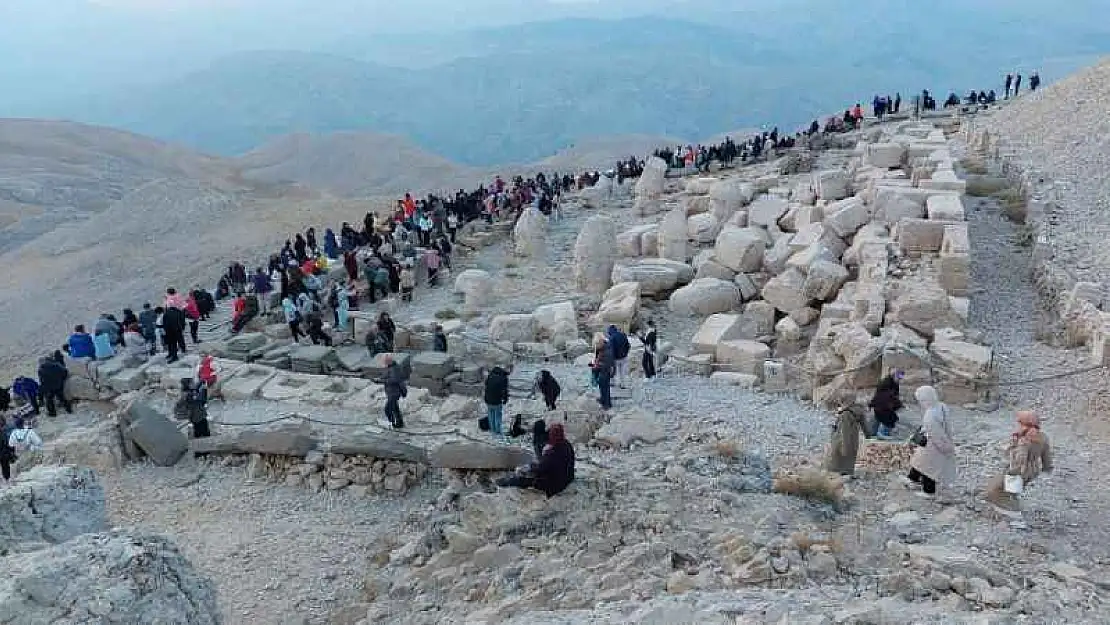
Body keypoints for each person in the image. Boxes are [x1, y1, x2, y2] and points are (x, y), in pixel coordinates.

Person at [984, 411, 1052, 515]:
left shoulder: (1024, 439)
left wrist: (1012, 472)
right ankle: (1011, 505)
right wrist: (1047, 468)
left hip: (1020, 470)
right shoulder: (1043, 437)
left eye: (1020, 422)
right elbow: (1046, 456)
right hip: (1033, 470)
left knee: (996, 490)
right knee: (1012, 491)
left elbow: (1020, 458)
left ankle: (1009, 511)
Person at [496, 422, 575, 497]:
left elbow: (541, 468)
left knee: (523, 479)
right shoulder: (567, 444)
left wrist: (529, 467)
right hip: (568, 478)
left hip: (555, 484)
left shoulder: (553, 453)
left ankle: (506, 482)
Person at [904, 386, 956, 499]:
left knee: (929, 468)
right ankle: (913, 479)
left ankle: (929, 491)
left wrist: (946, 448)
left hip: (934, 445)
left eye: (921, 400)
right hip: (934, 442)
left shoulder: (930, 416)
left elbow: (937, 435)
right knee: (919, 461)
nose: (920, 403)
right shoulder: (941, 406)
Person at [825, 402, 864, 476]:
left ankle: (838, 475)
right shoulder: (859, 411)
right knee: (850, 458)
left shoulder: (845, 414)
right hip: (854, 438)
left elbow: (844, 432)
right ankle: (848, 473)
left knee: (837, 459)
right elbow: (866, 428)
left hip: (841, 440)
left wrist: (844, 447)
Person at [869, 369, 904, 438]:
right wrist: (897, 403)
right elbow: (885, 396)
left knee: (879, 419)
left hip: (883, 406)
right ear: (894, 375)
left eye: (901, 378)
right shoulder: (885, 383)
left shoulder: (895, 384)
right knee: (886, 419)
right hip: (881, 406)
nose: (899, 380)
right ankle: (880, 435)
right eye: (899, 378)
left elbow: (895, 396)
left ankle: (874, 435)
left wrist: (898, 403)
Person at [484, 366, 510, 439]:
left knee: (490, 414)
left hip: (488, 400)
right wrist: (505, 399)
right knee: (498, 415)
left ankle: (492, 430)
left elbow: (486, 386)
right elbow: (505, 391)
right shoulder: (503, 378)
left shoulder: (490, 376)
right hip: (497, 401)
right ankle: (497, 431)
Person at [592, 334, 615, 410]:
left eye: (597, 344)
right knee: (602, 386)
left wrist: (598, 365)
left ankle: (607, 404)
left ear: (601, 342)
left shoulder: (607, 350)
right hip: (602, 370)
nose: (596, 346)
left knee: (605, 387)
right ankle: (603, 399)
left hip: (606, 371)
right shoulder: (602, 348)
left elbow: (607, 364)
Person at [383, 355, 406, 429]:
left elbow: (394, 379)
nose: (384, 363)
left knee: (387, 409)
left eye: (386, 361)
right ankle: (399, 423)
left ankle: (392, 423)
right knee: (395, 409)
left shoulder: (394, 368)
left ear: (389, 361)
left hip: (394, 393)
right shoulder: (391, 367)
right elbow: (387, 376)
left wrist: (384, 380)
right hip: (391, 392)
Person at [0, 415, 16, 483]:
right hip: (4, 451)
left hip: (4, 452)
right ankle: (6, 479)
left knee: (5, 465)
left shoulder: (6, 430)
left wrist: (11, 452)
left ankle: (7, 479)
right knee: (5, 465)